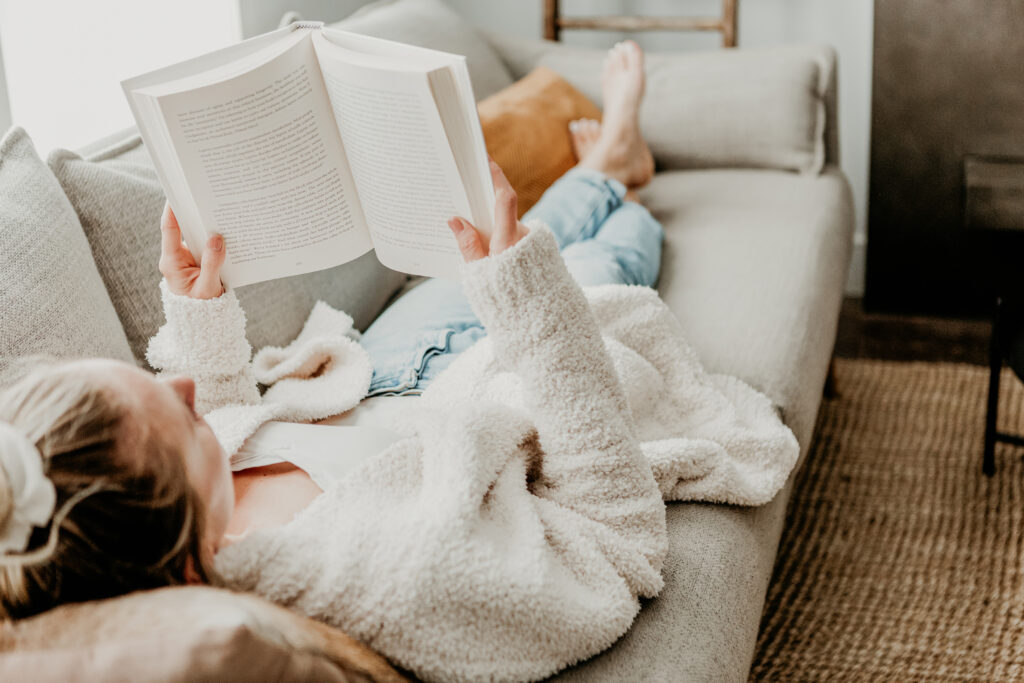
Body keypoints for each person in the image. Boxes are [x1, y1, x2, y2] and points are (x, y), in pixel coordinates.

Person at [0, 41, 796, 682]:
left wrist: (200, 314)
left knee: (513, 233)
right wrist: (527, 303)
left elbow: (229, 424)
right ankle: (623, 172)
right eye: (176, 413)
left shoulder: (205, 504)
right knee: (615, 256)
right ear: (178, 562)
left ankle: (605, 165)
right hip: (510, 384)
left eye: (154, 377)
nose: (181, 385)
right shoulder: (380, 580)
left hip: (389, 363)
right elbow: (617, 539)